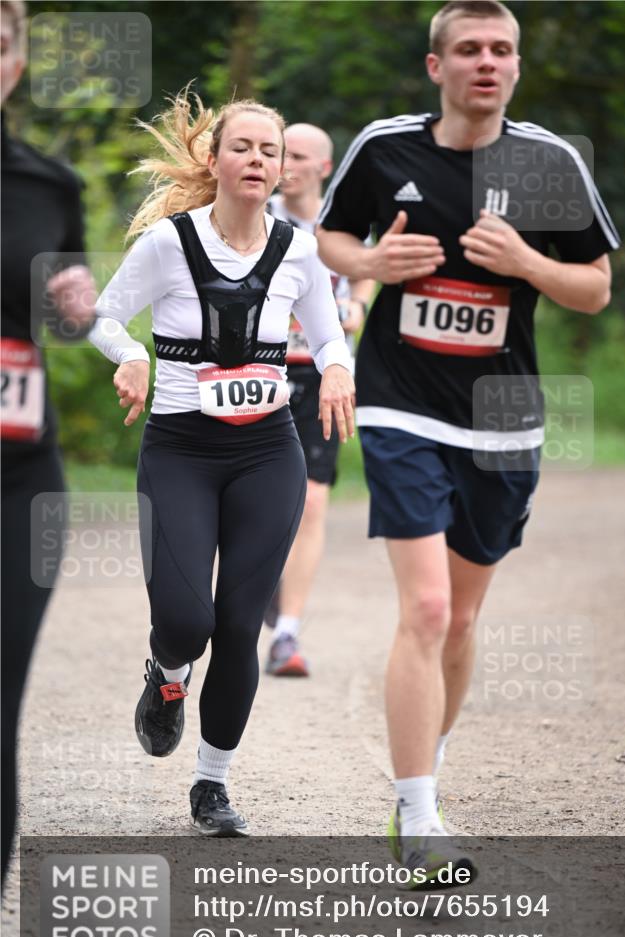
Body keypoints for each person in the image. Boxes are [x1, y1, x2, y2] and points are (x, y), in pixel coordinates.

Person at [317, 0, 619, 878]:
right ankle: (418, 820)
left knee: (463, 618)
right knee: (427, 609)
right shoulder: (385, 147)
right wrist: (370, 263)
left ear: (515, 67)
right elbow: (331, 237)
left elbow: (594, 288)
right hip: (400, 399)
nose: (487, 63)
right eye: (469, 50)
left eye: (501, 51)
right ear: (434, 66)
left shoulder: (549, 162)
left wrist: (526, 263)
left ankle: (425, 776)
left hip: (501, 414)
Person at [87, 89, 355, 836]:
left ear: (280, 171)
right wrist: (132, 355)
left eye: (269, 152)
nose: (256, 160)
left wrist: (336, 368)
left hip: (268, 450)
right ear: (214, 158)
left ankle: (211, 785)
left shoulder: (298, 248)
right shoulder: (168, 244)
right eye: (242, 147)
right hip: (180, 449)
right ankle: (166, 676)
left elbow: (328, 335)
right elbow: (104, 317)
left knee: (239, 624)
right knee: (184, 620)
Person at [1, 0, 97, 885]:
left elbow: (62, 304)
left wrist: (74, 306)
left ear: (18, 62)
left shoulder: (46, 185)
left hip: (19, 477)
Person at [264, 123, 374, 677]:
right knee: (251, 498)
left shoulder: (341, 222)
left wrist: (356, 305)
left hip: (325, 376)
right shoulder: (256, 216)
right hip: (261, 370)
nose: (286, 164)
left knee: (309, 502)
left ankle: (287, 633)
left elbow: (364, 275)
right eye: (282, 152)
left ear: (323, 168)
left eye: (299, 156)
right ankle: (260, 586)